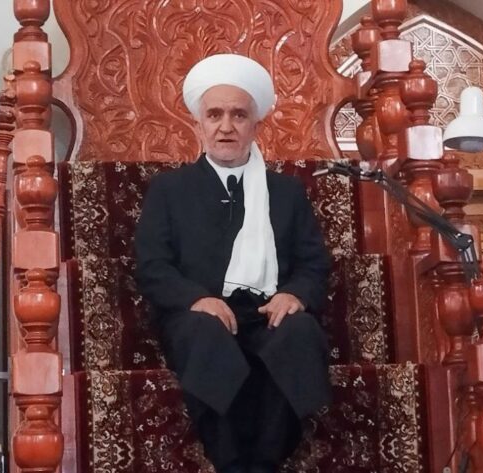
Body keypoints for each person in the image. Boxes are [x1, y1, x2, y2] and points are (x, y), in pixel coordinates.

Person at [134, 53, 331, 473]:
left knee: (300, 333)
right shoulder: (169, 190)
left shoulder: (286, 193)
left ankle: (265, 462)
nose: (226, 126)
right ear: (198, 125)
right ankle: (232, 464)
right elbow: (153, 266)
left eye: (238, 115)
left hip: (266, 313)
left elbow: (313, 264)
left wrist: (294, 295)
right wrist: (197, 299)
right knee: (206, 335)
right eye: (215, 115)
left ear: (255, 126)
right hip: (197, 316)